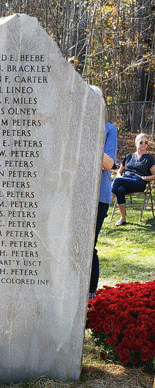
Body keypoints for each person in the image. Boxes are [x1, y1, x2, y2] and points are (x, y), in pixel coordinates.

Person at [89, 85, 117, 299]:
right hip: (73, 197)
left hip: (98, 197)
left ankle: (90, 295)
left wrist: (85, 142)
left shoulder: (109, 129)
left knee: (90, 246)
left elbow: (108, 164)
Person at [111, 133, 155, 226]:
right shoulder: (128, 157)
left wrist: (145, 178)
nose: (144, 144)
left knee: (117, 181)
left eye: (146, 142)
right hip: (126, 180)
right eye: (141, 142)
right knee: (119, 189)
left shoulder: (149, 159)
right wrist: (120, 177)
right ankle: (123, 218)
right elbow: (119, 171)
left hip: (139, 182)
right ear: (136, 143)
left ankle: (106, 204)